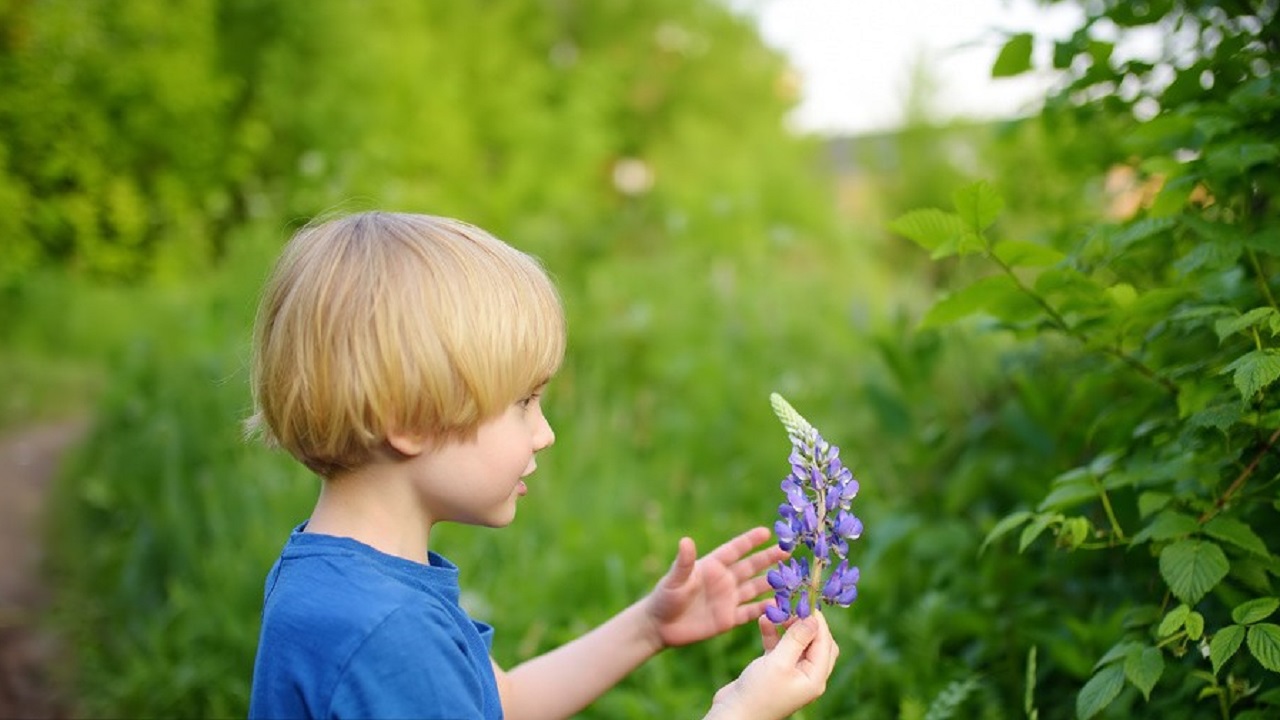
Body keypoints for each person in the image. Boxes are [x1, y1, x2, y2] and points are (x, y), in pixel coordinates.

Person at [245, 211, 840, 719]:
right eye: (523, 402)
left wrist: (649, 627)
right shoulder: (387, 633)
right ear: (409, 421)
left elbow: (498, 699)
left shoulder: (345, 581)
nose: (545, 432)